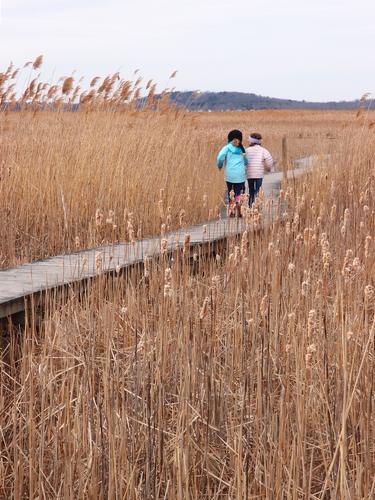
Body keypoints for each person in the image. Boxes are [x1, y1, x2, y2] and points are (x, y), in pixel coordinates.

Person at [217, 129, 248, 217]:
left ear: (229, 138)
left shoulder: (226, 148)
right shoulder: (242, 149)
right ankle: (239, 206)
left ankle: (232, 210)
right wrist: (245, 163)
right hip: (240, 175)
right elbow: (247, 161)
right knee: (239, 192)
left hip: (230, 175)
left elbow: (220, 158)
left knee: (230, 192)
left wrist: (219, 166)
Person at [246, 132, 274, 206]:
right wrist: (269, 169)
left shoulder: (247, 150)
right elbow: (269, 160)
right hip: (259, 174)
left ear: (251, 141)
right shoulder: (263, 150)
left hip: (249, 174)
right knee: (258, 190)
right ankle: (257, 205)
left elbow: (243, 160)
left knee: (251, 189)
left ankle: (250, 205)